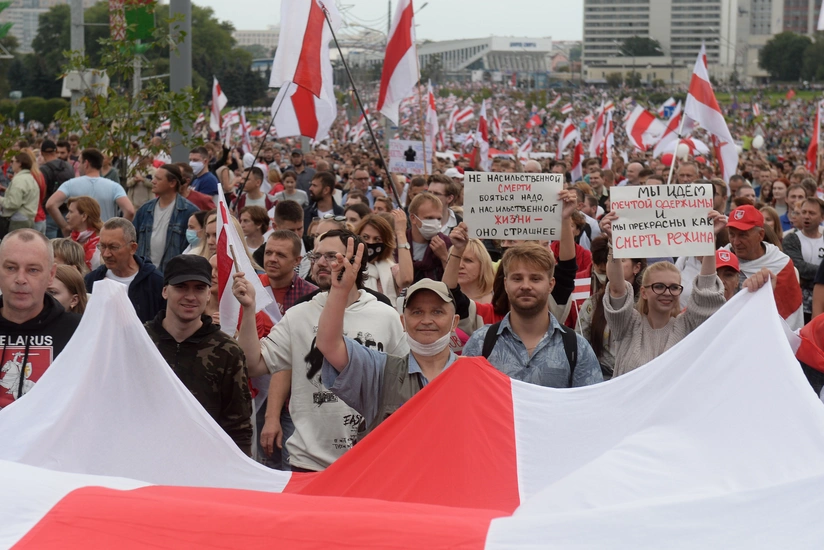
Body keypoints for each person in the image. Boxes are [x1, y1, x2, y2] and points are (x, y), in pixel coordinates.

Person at [232, 229, 409, 472]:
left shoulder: (384, 315)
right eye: (316, 257)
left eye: (331, 256)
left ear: (356, 261)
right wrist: (249, 310)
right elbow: (252, 365)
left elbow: (403, 384)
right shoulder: (299, 314)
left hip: (369, 461)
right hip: (308, 462)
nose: (321, 263)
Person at [317, 243, 458, 433]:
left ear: (454, 322)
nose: (426, 320)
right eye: (416, 312)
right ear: (403, 321)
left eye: (437, 312)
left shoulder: (474, 376)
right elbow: (329, 345)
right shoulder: (380, 372)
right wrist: (339, 291)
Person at [145, 255, 253, 455]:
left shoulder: (226, 351)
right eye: (181, 287)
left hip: (205, 464)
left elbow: (238, 426)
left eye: (199, 288)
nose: (190, 296)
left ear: (209, 294)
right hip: (146, 458)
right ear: (165, 291)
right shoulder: (140, 341)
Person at [600, 209, 727, 376]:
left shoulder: (687, 326)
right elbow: (616, 289)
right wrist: (613, 242)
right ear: (644, 292)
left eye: (674, 287)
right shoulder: (629, 325)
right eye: (659, 286)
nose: (667, 293)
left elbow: (706, 290)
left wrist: (709, 240)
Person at [462, 240, 603, 388]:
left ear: (551, 285)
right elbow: (464, 398)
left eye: (535, 279)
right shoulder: (480, 343)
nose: (525, 286)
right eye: (517, 278)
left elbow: (590, 406)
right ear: (505, 284)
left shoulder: (577, 348)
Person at [0, 229, 81, 409]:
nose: (21, 279)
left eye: (33, 270)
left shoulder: (79, 332)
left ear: (51, 274)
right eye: (11, 268)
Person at [725, 204, 805, 330]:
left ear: (761, 235)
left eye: (743, 235)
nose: (736, 242)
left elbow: (789, 319)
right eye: (732, 234)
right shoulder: (720, 259)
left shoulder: (781, 265)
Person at [578, 236, 646, 380]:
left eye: (622, 260)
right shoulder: (593, 304)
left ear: (637, 267)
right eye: (612, 260)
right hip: (600, 379)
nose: (615, 265)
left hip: (638, 378)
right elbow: (580, 345)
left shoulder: (647, 303)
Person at [85, 217, 165, 323]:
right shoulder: (92, 281)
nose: (106, 254)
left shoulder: (156, 283)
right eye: (102, 246)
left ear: (132, 248)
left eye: (113, 247)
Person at [46, 148, 135, 235]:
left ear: (86, 163)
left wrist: (65, 227)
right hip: (104, 238)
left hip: (78, 239)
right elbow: (130, 210)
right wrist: (118, 231)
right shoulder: (114, 186)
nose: (78, 166)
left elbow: (50, 204)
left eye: (80, 162)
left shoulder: (70, 184)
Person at [132, 164, 199, 273]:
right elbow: (132, 239)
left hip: (172, 275)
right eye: (154, 178)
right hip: (145, 273)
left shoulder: (189, 212)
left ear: (172, 183)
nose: (153, 181)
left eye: (158, 179)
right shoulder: (145, 209)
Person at [356, 211, 413, 306]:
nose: (370, 242)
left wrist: (400, 234)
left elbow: (406, 279)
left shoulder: (392, 269)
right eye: (365, 237)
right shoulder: (349, 267)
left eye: (377, 239)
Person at [783, 197, 824, 324]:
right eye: (804, 212)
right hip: (800, 306)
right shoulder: (791, 239)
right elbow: (799, 268)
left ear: (822, 217)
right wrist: (821, 275)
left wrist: (809, 278)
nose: (806, 216)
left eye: (811, 213)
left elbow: (806, 272)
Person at [407, 192, 452, 282]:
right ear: (413, 218)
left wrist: (444, 257)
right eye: (429, 218)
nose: (435, 223)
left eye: (438, 219)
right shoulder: (400, 243)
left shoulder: (447, 243)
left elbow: (455, 281)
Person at [40, 139, 76, 239]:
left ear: (42, 153)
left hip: (49, 213)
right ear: (55, 151)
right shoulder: (68, 166)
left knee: (51, 247)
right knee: (65, 247)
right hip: (67, 212)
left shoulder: (43, 169)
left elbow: (42, 192)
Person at [1, 152, 40, 233]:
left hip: (18, 221)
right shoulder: (30, 178)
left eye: (12, 161)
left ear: (19, 163)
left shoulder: (19, 180)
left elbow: (13, 204)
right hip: (29, 219)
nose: (10, 164)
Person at [66, 196, 102, 271]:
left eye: (71, 212)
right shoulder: (68, 242)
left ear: (84, 216)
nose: (67, 216)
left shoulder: (103, 242)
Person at [456, 238, 495, 304]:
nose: (460, 265)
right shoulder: (440, 298)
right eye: (456, 259)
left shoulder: (500, 301)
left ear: (483, 265)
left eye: (468, 260)